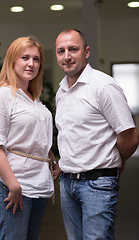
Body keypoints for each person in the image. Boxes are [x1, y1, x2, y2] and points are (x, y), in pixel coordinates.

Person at [54, 28, 138, 240]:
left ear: (87, 52)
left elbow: (129, 136)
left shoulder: (104, 86)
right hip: (67, 183)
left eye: (73, 49)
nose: (67, 56)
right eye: (61, 51)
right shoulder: (61, 90)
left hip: (97, 184)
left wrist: (115, 160)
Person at [0, 36, 57, 240]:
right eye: (25, 57)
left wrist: (52, 159)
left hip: (38, 185)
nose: (31, 64)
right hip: (13, 185)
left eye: (36, 59)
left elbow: (34, 136)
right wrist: (13, 185)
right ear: (12, 60)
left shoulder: (33, 98)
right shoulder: (0, 96)